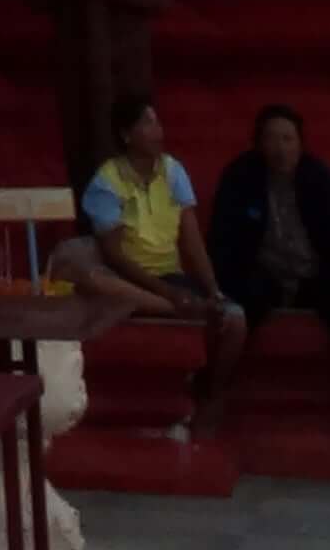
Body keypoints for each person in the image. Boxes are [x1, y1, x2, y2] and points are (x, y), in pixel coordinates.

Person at [57, 90, 245, 434]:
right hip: (130, 280)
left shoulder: (173, 172)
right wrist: (168, 295)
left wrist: (213, 289)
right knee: (94, 280)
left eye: (157, 121)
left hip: (171, 278)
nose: (157, 130)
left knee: (235, 321)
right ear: (126, 135)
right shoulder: (107, 181)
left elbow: (191, 238)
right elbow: (114, 254)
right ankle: (179, 308)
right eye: (147, 122)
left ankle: (211, 394)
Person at [207, 103, 330, 443]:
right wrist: (221, 287)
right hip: (262, 274)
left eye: (288, 139)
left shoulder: (319, 179)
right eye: (272, 139)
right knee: (239, 315)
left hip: (311, 275)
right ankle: (209, 395)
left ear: (300, 143)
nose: (281, 148)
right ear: (258, 143)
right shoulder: (240, 176)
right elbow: (223, 240)